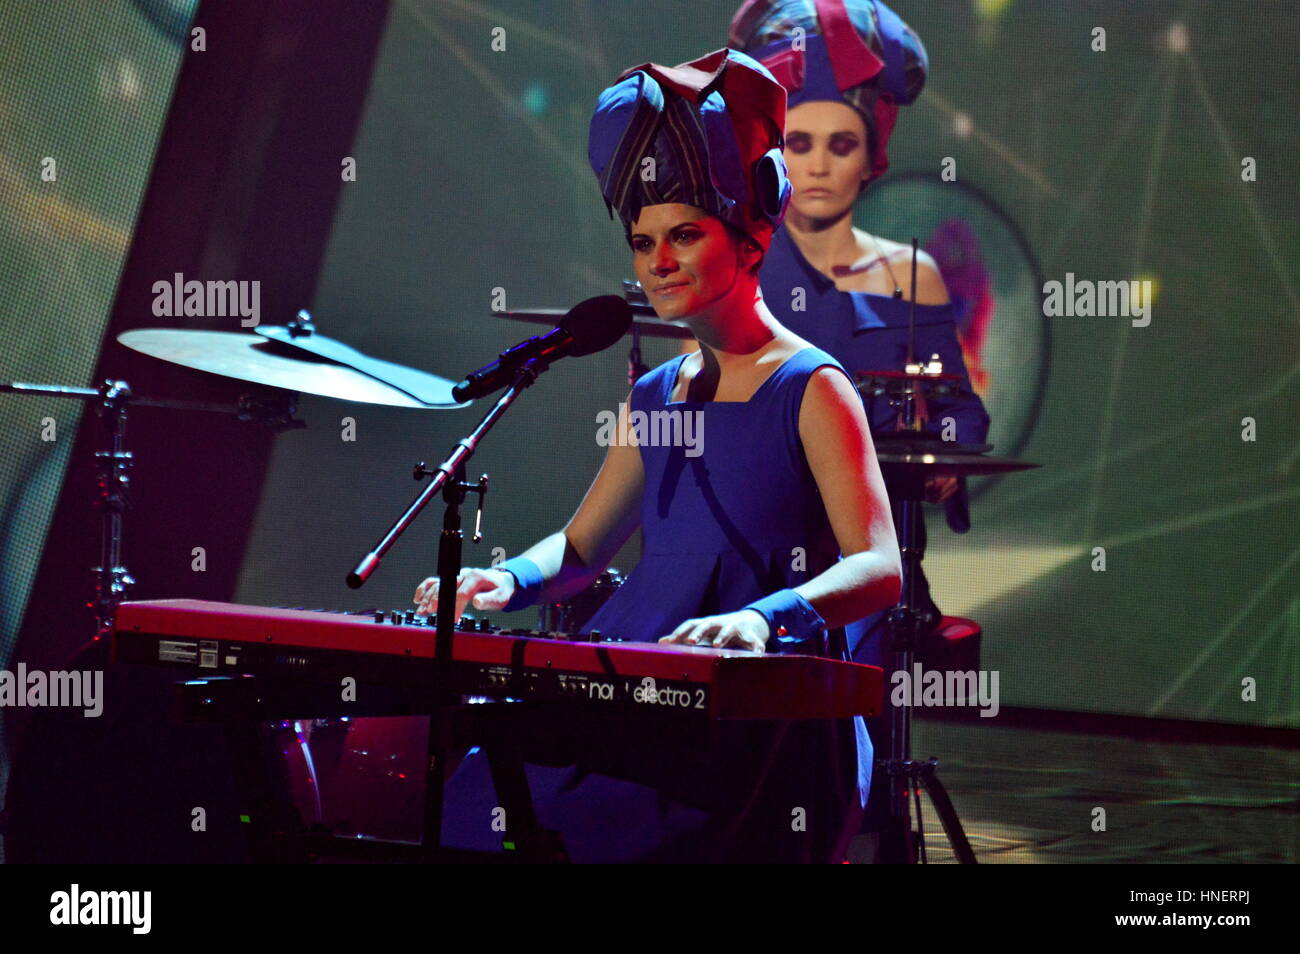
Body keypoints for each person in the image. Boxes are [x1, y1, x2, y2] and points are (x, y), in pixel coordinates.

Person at [413, 48, 901, 863]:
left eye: (684, 234)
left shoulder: (811, 387)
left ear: (750, 235)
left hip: (760, 713)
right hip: (638, 681)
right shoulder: (655, 397)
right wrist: (510, 579)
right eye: (643, 242)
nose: (658, 261)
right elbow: (578, 550)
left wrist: (760, 618)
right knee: (480, 804)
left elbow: (879, 566)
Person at [726, 0, 993, 848]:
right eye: (798, 143)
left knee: (857, 721)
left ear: (871, 158)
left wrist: (947, 452)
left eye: (838, 144)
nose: (816, 166)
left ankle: (865, 834)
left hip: (863, 542)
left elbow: (961, 407)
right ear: (773, 152)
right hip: (750, 536)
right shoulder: (739, 263)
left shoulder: (908, 273)